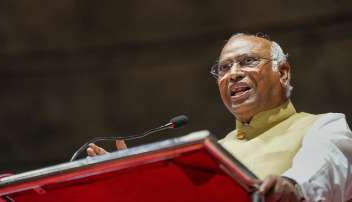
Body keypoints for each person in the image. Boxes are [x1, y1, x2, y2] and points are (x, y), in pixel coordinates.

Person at [87, 33, 352, 202]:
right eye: (224, 67)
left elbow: (325, 167)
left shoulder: (323, 126)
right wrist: (125, 185)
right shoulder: (214, 152)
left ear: (282, 73)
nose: (233, 73)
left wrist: (291, 187)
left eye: (247, 61)